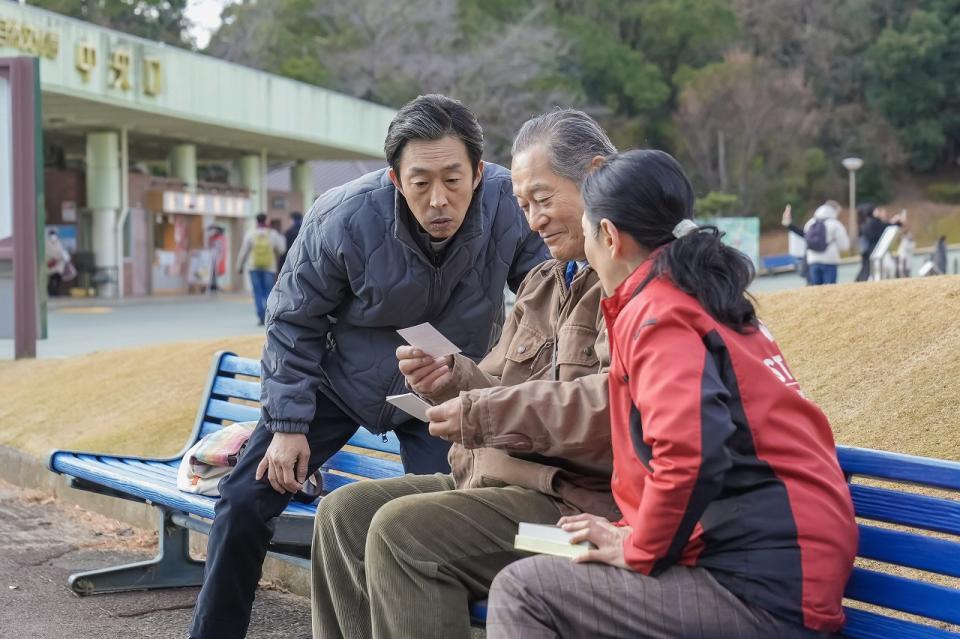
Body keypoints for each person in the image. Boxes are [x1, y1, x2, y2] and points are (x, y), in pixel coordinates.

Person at [188, 94, 547, 639]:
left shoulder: (508, 204)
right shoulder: (343, 215)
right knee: (243, 500)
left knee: (448, 516)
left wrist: (499, 382)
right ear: (396, 179)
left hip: (444, 391)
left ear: (478, 172)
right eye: (420, 182)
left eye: (454, 180)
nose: (439, 199)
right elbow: (293, 320)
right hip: (340, 383)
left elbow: (545, 301)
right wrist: (287, 425)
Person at [487, 149, 858, 639]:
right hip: (768, 566)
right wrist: (629, 533)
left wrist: (638, 548)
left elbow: (690, 455)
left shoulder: (661, 315)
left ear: (610, 237)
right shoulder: (697, 297)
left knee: (523, 591)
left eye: (589, 233)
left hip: (761, 587)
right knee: (564, 572)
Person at [310, 109, 617, 639]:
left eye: (543, 199)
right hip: (496, 482)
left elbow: (611, 410)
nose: (534, 221)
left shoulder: (627, 280)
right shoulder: (544, 282)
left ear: (595, 175)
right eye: (523, 206)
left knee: (405, 535)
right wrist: (450, 379)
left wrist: (480, 410)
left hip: (570, 514)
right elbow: (497, 384)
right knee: (343, 513)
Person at [237, 213, 286, 324]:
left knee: (257, 292)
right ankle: (268, 316)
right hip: (269, 268)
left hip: (254, 267)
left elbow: (244, 251)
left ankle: (260, 316)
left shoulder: (250, 233)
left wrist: (239, 266)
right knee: (269, 292)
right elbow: (282, 249)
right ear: (266, 221)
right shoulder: (272, 234)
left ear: (256, 221)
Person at [804, 201, 850, 285]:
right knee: (830, 289)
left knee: (815, 289)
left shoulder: (810, 223)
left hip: (813, 260)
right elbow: (844, 245)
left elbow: (806, 240)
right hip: (830, 260)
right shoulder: (835, 224)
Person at [855, 205, 904, 281]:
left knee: (866, 270)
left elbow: (883, 227)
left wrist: (892, 222)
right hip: (874, 251)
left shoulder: (865, 222)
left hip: (868, 251)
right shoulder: (873, 222)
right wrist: (895, 222)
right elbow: (883, 228)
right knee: (871, 270)